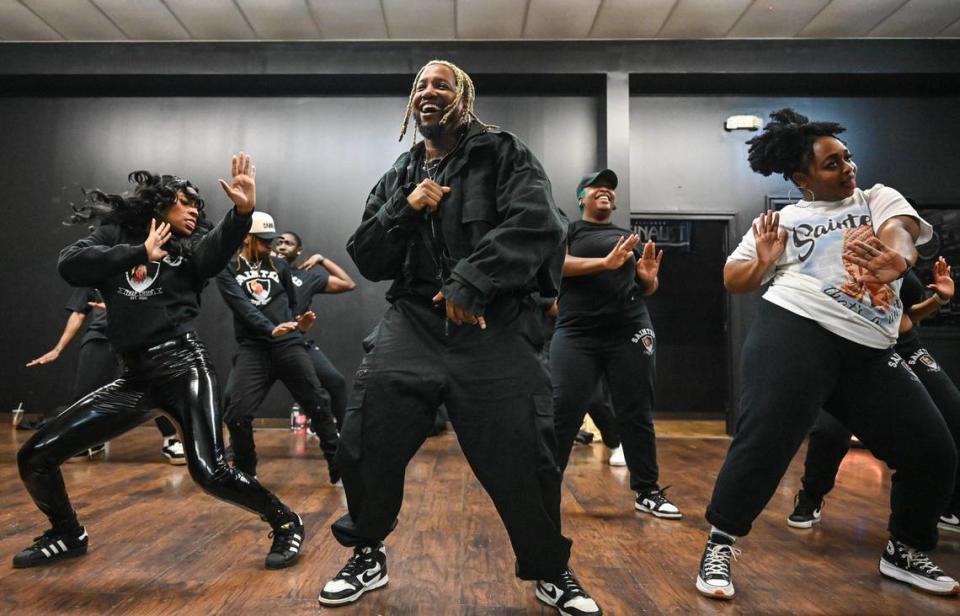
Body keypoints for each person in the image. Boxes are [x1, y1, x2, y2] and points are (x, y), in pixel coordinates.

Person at [319, 60, 602, 616]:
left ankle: (551, 569)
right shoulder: (399, 175)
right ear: (411, 103)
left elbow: (540, 224)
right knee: (365, 433)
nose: (429, 91)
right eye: (421, 85)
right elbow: (368, 258)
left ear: (463, 99)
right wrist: (405, 208)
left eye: (441, 84)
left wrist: (471, 282)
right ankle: (367, 550)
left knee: (526, 453)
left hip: (493, 325)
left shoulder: (503, 153)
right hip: (413, 323)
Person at [696, 109, 958, 599]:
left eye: (847, 157)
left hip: (871, 348)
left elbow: (901, 229)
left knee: (933, 450)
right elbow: (735, 279)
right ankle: (720, 544)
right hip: (796, 329)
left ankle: (905, 549)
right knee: (767, 442)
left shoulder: (878, 198)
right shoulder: (784, 221)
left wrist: (896, 259)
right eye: (832, 164)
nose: (848, 168)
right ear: (803, 179)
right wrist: (765, 263)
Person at [14, 153, 306, 571]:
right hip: (134, 379)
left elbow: (217, 244)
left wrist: (243, 212)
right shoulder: (116, 235)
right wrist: (137, 252)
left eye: (198, 207)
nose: (193, 211)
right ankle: (67, 533)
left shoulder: (190, 251)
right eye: (186, 201)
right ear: (160, 201)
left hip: (183, 367)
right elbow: (70, 264)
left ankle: (285, 520)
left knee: (209, 472)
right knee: (35, 456)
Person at [789, 258, 960, 535]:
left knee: (954, 416)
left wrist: (939, 299)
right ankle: (811, 495)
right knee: (830, 432)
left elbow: (905, 317)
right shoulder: (840, 252)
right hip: (856, 352)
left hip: (904, 346)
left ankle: (949, 506)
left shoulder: (902, 250)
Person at [550, 169, 679, 519]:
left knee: (636, 410)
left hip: (629, 329)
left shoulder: (627, 237)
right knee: (564, 408)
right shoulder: (568, 230)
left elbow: (640, 289)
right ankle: (544, 490)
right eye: (596, 187)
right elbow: (556, 265)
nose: (605, 190)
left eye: (610, 188)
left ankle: (647, 491)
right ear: (581, 197)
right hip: (577, 332)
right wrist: (604, 263)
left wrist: (649, 280)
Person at [216, 213, 341, 484]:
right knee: (236, 415)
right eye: (263, 242)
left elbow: (293, 304)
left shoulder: (280, 266)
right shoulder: (228, 268)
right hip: (253, 349)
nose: (269, 247)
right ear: (247, 238)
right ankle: (246, 473)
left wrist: (300, 324)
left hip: (288, 346)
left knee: (318, 405)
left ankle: (338, 464)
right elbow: (242, 306)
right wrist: (269, 328)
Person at [27, 287, 185, 463]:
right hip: (100, 335)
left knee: (155, 387)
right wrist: (58, 349)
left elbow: (159, 305)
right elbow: (78, 314)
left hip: (139, 337)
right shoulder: (91, 274)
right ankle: (87, 442)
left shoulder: (140, 272)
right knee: (84, 394)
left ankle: (171, 440)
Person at [273, 230, 356, 428]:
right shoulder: (262, 272)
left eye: (289, 243)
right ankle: (237, 447)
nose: (283, 246)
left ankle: (346, 439)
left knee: (336, 382)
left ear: (299, 250)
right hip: (263, 342)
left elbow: (348, 283)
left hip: (296, 343)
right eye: (280, 242)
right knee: (242, 397)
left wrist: (322, 259)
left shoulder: (306, 277)